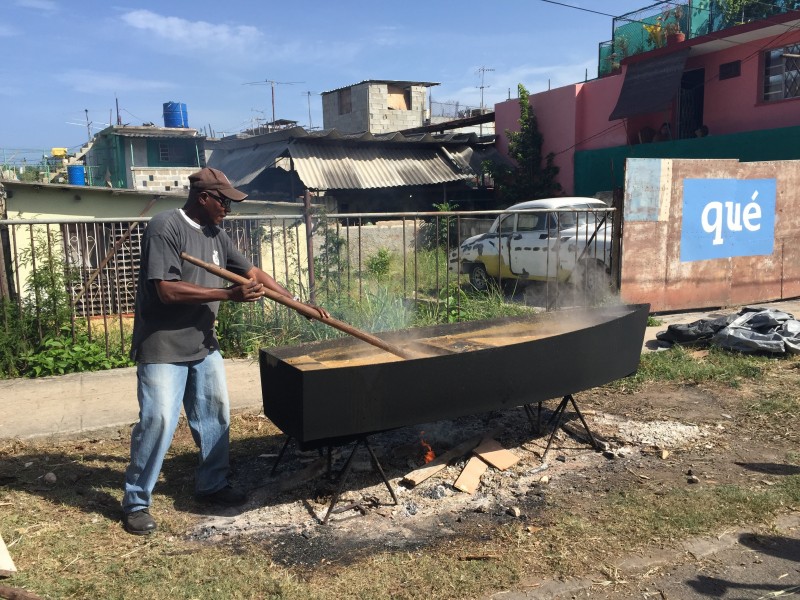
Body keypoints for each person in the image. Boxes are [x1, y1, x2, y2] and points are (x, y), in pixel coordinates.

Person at [121, 166, 328, 535]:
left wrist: (297, 302)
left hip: (203, 343)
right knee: (159, 422)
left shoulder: (217, 234)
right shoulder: (164, 227)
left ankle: (212, 485)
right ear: (203, 197)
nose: (227, 210)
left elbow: (253, 273)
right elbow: (166, 291)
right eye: (223, 202)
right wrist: (227, 295)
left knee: (214, 417)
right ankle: (137, 502)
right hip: (163, 345)